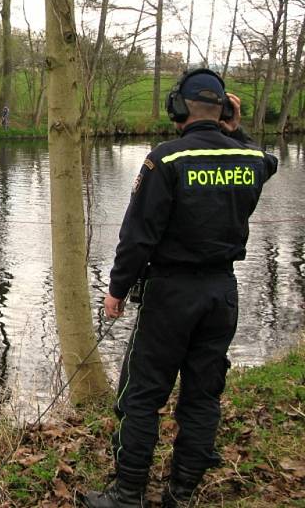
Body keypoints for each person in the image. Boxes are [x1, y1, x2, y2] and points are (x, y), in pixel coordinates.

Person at [82, 69, 278, 508]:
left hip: (170, 295)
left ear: (180, 109)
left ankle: (126, 493)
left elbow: (138, 235)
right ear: (223, 112)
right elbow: (268, 162)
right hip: (222, 295)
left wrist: (117, 289)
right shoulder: (249, 159)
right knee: (202, 394)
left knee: (142, 394)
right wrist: (236, 130)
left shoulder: (165, 159)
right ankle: (181, 493)